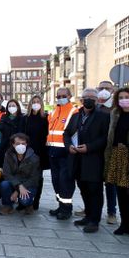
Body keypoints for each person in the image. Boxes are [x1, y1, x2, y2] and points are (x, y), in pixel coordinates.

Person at [63, 88, 110, 231]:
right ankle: (88, 216)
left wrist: (89, 147)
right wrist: (69, 146)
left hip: (93, 160)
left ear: (96, 100)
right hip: (77, 160)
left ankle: (94, 221)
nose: (88, 99)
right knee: (83, 189)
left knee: (94, 191)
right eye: (86, 97)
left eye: (92, 97)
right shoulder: (76, 116)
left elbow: (105, 137)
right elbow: (67, 133)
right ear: (81, 99)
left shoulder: (103, 116)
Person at [105, 87, 129, 238]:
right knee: (120, 191)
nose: (124, 100)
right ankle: (124, 224)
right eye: (120, 97)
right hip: (116, 154)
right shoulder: (115, 114)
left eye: (127, 97)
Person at [47, 87, 78, 218]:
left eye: (63, 96)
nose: (60, 98)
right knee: (56, 181)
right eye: (58, 96)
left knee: (65, 181)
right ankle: (60, 206)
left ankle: (66, 210)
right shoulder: (54, 112)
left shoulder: (74, 112)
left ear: (70, 96)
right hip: (53, 151)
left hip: (66, 152)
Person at [0, 133, 41, 215]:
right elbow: (7, 173)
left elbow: (34, 178)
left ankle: (29, 205)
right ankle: (8, 205)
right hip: (14, 183)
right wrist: (19, 186)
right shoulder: (8, 155)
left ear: (27, 144)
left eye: (23, 143)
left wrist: (17, 191)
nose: (21, 146)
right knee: (4, 184)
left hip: (28, 184)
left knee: (24, 201)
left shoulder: (34, 158)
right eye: (18, 144)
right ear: (13, 144)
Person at [96, 80, 119, 226]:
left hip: (110, 150)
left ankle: (112, 212)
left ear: (112, 91)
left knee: (110, 183)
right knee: (94, 183)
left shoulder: (116, 108)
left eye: (107, 88)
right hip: (95, 151)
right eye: (101, 88)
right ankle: (91, 208)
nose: (104, 90)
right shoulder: (96, 107)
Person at [24, 95, 49, 210]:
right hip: (27, 151)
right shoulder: (26, 118)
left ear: (41, 104)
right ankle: (25, 200)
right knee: (26, 176)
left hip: (40, 152)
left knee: (38, 177)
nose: (35, 104)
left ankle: (36, 200)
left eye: (38, 102)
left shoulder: (46, 118)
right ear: (30, 104)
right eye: (33, 102)